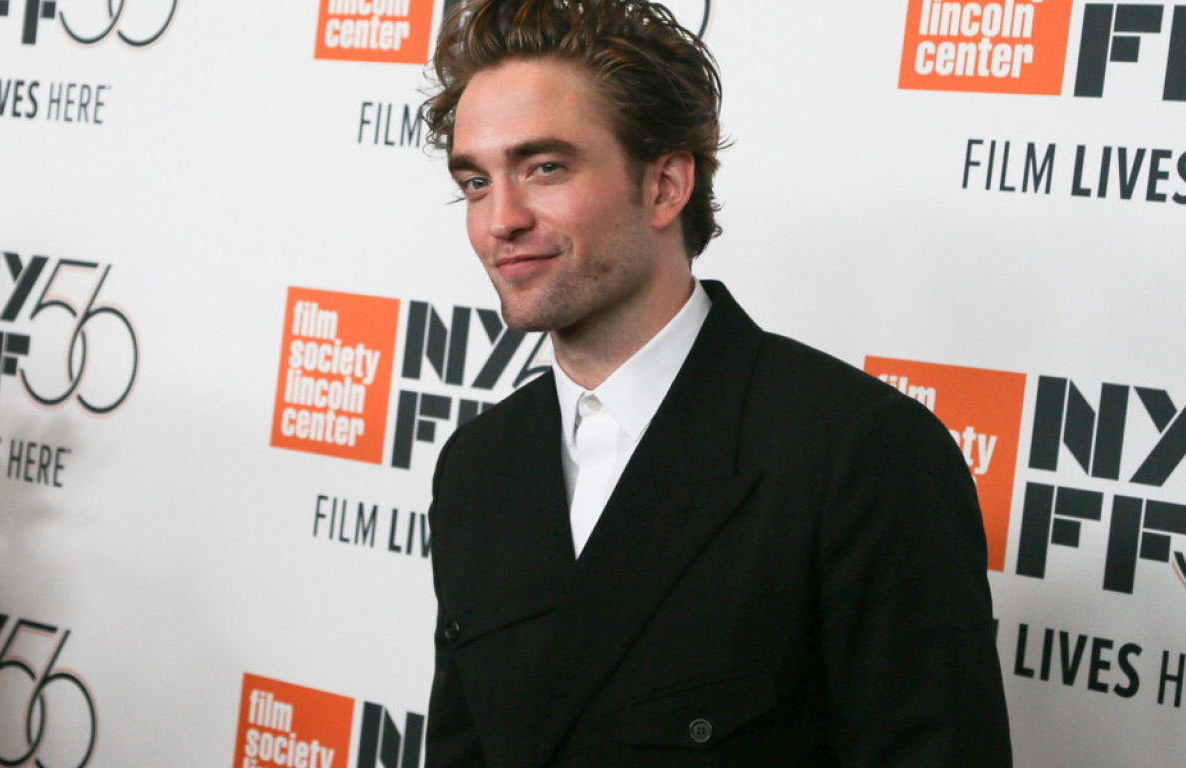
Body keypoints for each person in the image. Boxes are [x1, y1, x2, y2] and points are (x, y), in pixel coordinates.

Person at [420, 1, 1013, 766]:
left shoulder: (857, 454)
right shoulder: (476, 466)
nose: (500, 219)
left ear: (666, 186)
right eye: (475, 182)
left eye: (545, 168)